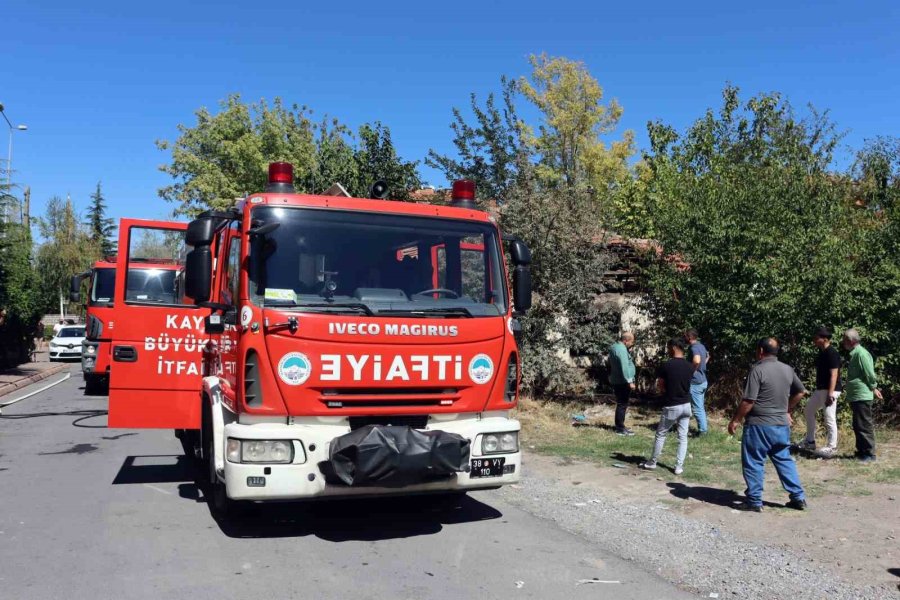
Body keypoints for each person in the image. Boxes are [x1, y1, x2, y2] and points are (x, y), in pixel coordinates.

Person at [728, 338, 808, 512]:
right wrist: (787, 409)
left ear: (760, 351)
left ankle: (754, 501)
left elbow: (749, 400)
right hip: (781, 425)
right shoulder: (787, 369)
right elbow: (801, 391)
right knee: (784, 460)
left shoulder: (757, 370)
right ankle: (798, 497)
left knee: (754, 461)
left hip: (759, 425)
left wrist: (735, 420)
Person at [640, 338, 694, 475]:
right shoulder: (689, 366)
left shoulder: (666, 365)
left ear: (675, 347)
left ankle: (652, 462)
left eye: (669, 347)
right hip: (686, 404)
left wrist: (665, 391)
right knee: (683, 437)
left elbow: (661, 385)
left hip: (672, 404)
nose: (668, 350)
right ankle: (679, 467)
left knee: (661, 434)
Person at [842, 328, 882, 462]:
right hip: (856, 395)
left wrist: (873, 387)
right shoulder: (855, 354)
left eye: (845, 340)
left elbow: (869, 373)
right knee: (858, 425)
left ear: (851, 341)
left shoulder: (862, 354)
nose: (843, 342)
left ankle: (870, 454)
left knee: (864, 425)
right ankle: (861, 452)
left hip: (862, 395)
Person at [801, 327, 842, 456]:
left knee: (829, 417)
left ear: (824, 339)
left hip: (830, 390)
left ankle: (832, 447)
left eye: (816, 338)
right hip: (821, 390)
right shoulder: (822, 352)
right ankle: (810, 441)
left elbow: (834, 375)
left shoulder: (832, 353)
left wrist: (830, 393)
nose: (814, 340)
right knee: (808, 411)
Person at [608, 332, 637, 436]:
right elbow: (624, 366)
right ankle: (620, 428)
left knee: (622, 403)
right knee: (622, 404)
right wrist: (630, 381)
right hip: (622, 381)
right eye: (631, 342)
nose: (631, 344)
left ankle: (621, 425)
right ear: (626, 340)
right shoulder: (621, 349)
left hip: (618, 380)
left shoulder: (614, 347)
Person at [685, 329, 710, 435]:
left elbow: (697, 360)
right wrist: (701, 368)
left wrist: (690, 372)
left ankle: (703, 431)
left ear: (689, 337)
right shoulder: (701, 346)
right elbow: (708, 356)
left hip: (696, 382)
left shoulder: (694, 347)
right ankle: (702, 429)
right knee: (699, 406)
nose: (684, 338)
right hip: (703, 380)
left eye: (685, 336)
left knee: (697, 408)